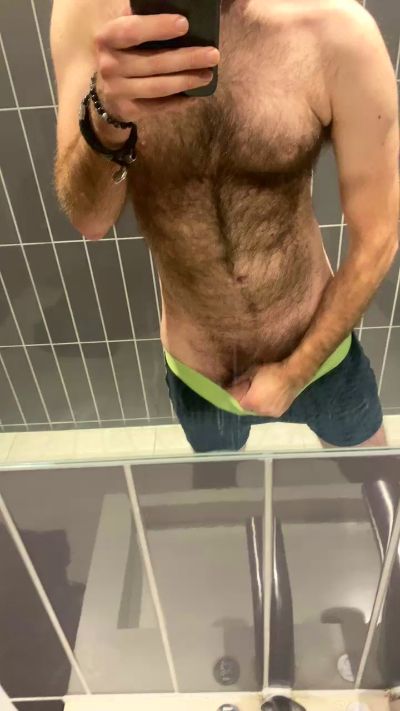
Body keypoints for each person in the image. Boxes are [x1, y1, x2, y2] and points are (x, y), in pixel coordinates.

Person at [51, 0, 399, 452]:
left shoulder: (335, 27)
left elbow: (379, 237)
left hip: (319, 353)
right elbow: (90, 219)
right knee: (225, 489)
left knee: (374, 476)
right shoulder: (88, 15)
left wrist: (295, 372)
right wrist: (107, 113)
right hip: (199, 376)